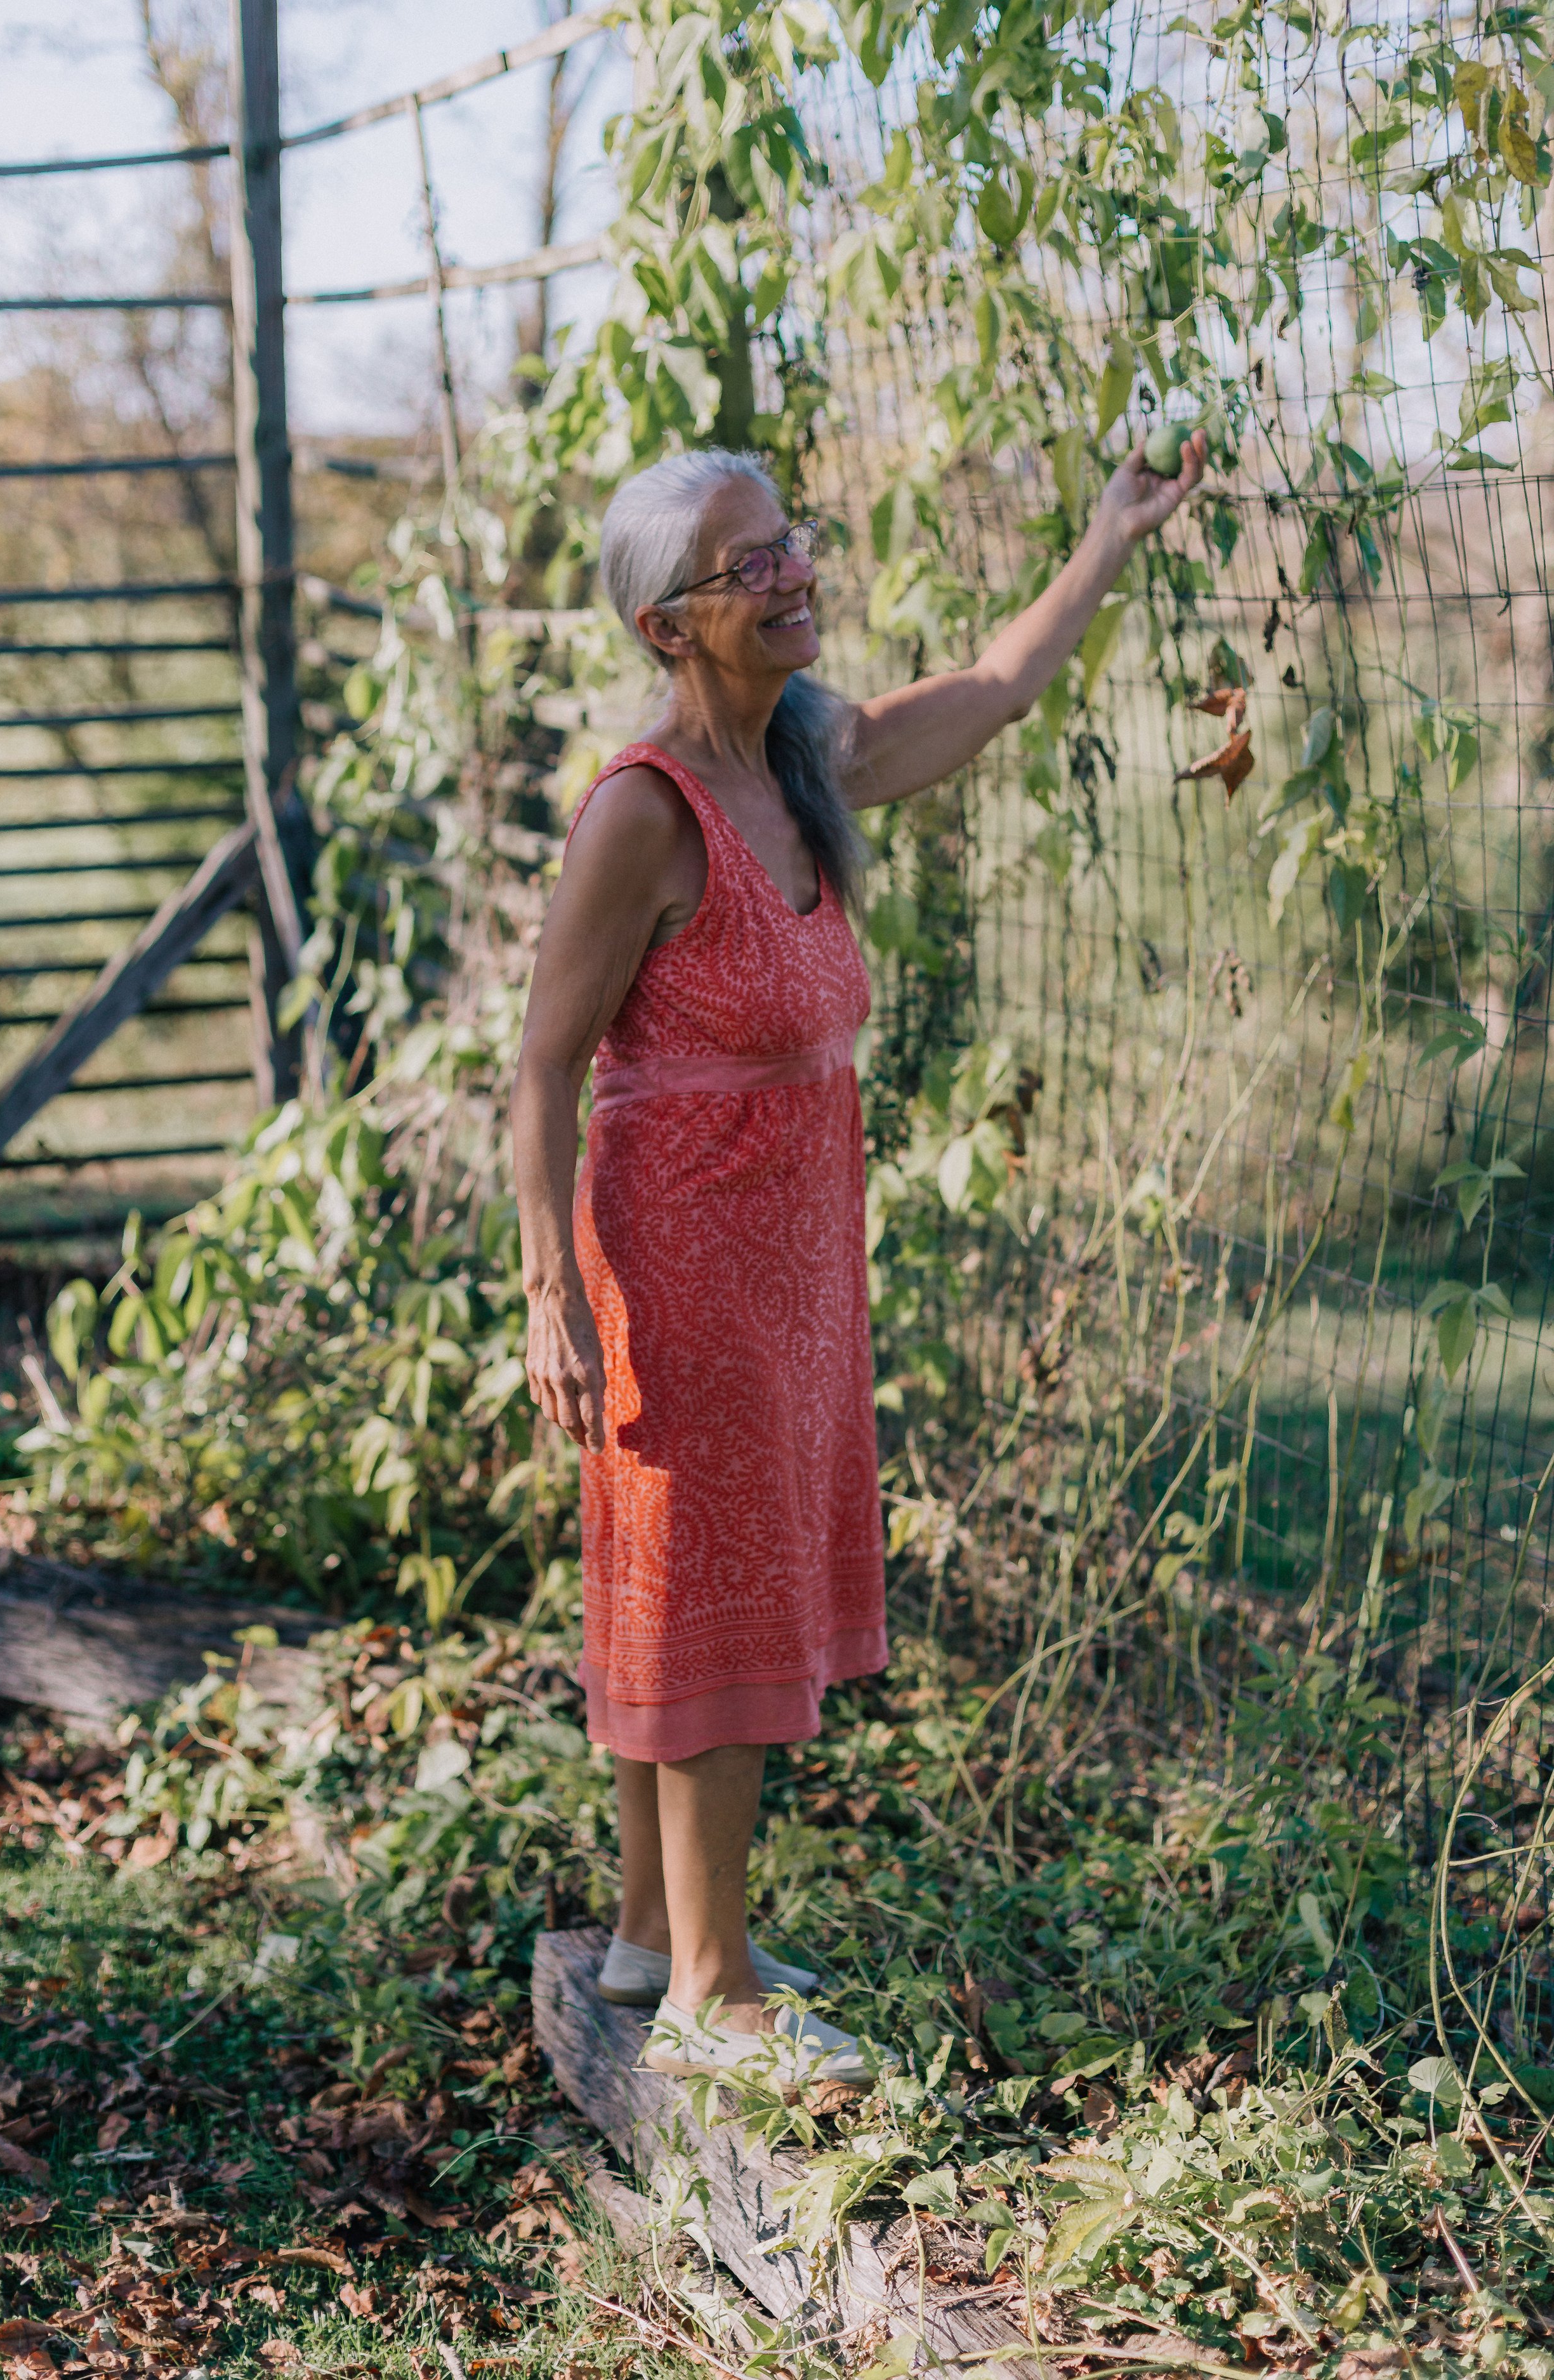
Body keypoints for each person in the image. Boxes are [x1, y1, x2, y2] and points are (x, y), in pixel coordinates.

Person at [513, 430, 1205, 2086]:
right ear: (668, 624)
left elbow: (991, 690)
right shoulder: (644, 811)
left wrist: (1108, 537)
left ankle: (648, 1936)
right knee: (710, 1597)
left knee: (695, 1581)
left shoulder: (804, 752)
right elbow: (541, 1068)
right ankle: (716, 1996)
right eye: (748, 563)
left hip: (793, 1260)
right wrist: (549, 1295)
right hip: (681, 1261)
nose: (793, 572)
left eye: (790, 540)